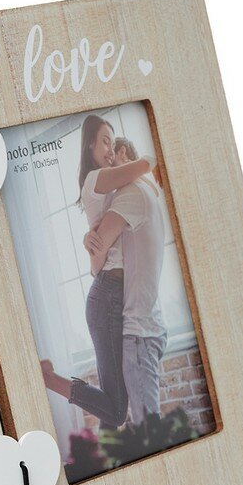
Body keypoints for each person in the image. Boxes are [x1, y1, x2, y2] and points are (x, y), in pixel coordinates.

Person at [40, 115, 156, 432]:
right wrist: (152, 158)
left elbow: (100, 255)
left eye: (113, 143)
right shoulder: (95, 178)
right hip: (108, 297)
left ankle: (108, 459)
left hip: (110, 295)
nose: (110, 149)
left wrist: (92, 245)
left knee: (112, 405)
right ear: (90, 143)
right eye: (105, 141)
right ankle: (48, 378)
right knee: (117, 411)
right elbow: (140, 167)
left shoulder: (108, 188)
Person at [84, 138, 167, 426]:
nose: (109, 171)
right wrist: (91, 240)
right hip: (146, 322)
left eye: (112, 159)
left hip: (137, 328)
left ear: (123, 154)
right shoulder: (148, 194)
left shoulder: (131, 192)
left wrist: (94, 254)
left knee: (134, 421)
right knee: (119, 411)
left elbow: (100, 251)